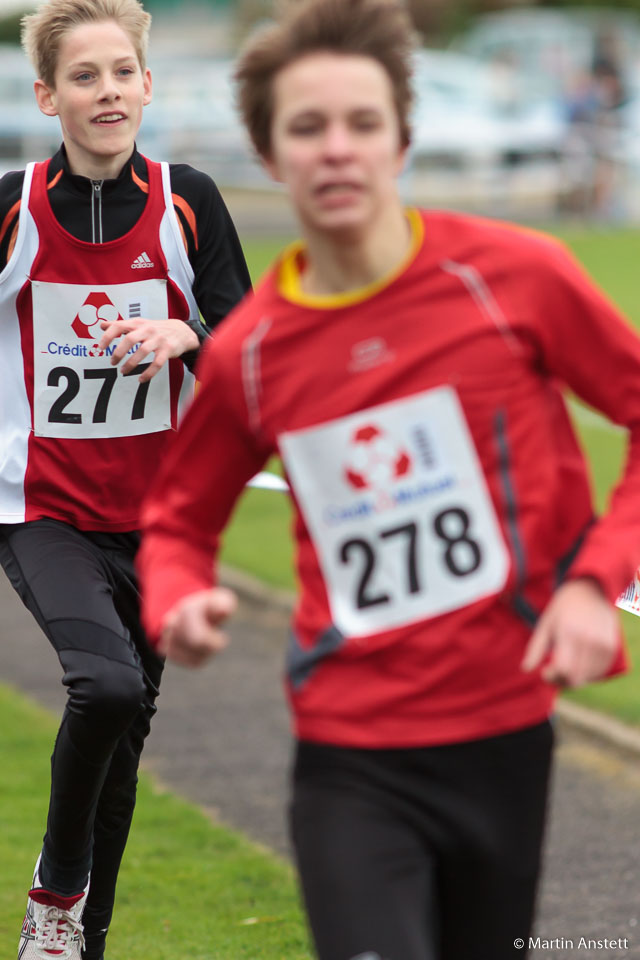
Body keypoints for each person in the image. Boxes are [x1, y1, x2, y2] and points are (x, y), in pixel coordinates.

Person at [137, 0, 640, 957]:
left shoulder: (516, 277)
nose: (336, 149)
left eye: (362, 123)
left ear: (402, 140)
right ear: (269, 153)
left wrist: (593, 579)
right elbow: (178, 522)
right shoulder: (249, 352)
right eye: (307, 127)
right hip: (349, 753)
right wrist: (177, 597)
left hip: (506, 731)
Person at [0, 1, 251, 957]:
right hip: (42, 510)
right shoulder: (13, 208)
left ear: (146, 85)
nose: (105, 93)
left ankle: (79, 943)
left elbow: (249, 351)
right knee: (103, 688)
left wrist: (188, 332)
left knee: (121, 749)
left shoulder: (190, 203)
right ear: (47, 97)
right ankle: (57, 892)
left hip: (161, 523)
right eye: (83, 76)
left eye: (120, 73)